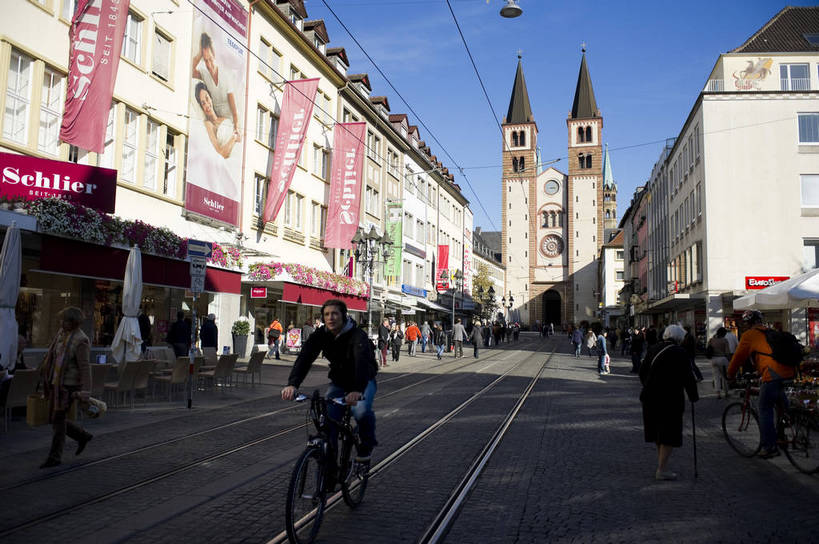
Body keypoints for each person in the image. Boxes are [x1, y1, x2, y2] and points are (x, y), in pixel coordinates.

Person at [281, 299, 378, 473]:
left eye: (335, 313)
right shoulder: (321, 334)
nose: (331, 318)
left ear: (343, 315)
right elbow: (305, 357)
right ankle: (331, 467)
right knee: (328, 421)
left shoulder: (357, 335)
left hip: (363, 379)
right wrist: (292, 384)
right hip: (339, 381)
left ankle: (366, 445)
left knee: (360, 411)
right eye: (326, 314)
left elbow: (361, 363)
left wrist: (356, 390)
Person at [727, 310, 796, 458]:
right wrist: (759, 371)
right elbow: (768, 356)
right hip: (789, 372)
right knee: (781, 405)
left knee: (764, 409)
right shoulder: (771, 332)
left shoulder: (749, 335)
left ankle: (770, 447)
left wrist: (730, 375)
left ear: (748, 323)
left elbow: (738, 358)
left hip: (773, 375)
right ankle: (786, 432)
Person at [639, 324, 699, 481]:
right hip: (669, 399)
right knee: (669, 433)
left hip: (650, 397)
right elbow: (688, 376)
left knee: (658, 433)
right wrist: (693, 396)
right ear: (679, 338)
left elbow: (642, 371)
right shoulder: (680, 352)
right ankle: (662, 469)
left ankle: (662, 465)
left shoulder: (653, 349)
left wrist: (649, 385)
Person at [39, 307, 94, 468]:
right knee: (56, 419)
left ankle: (55, 457)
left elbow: (85, 367)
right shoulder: (61, 334)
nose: (61, 323)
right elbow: (53, 355)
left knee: (58, 419)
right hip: (56, 382)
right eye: (61, 320)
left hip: (70, 386)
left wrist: (86, 391)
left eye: (65, 321)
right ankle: (82, 436)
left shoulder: (80, 340)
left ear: (74, 322)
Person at [192, 32, 240, 141]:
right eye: (205, 61)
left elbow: (234, 110)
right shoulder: (204, 74)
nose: (209, 65)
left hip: (230, 123)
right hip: (217, 122)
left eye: (210, 59)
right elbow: (190, 69)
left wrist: (236, 127)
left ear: (215, 56)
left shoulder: (225, 75)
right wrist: (200, 53)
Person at [194, 82, 240, 159]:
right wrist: (234, 138)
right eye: (203, 103)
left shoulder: (223, 118)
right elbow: (220, 154)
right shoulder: (208, 124)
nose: (207, 105)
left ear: (211, 97)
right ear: (202, 108)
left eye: (207, 98)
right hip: (231, 156)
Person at [707, 327, 731, 399]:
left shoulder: (711, 340)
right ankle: (726, 393)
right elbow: (727, 352)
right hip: (722, 359)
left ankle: (718, 394)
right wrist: (730, 360)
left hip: (713, 360)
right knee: (725, 377)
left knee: (716, 377)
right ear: (723, 333)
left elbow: (708, 349)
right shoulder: (724, 340)